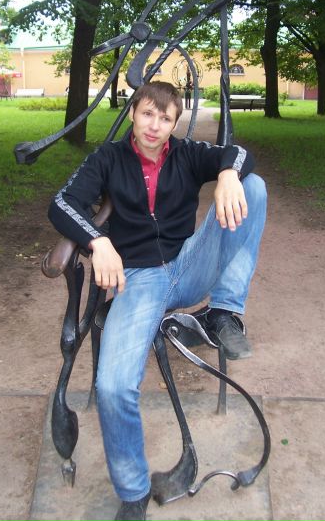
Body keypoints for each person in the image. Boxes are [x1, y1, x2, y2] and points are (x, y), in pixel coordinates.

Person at [48, 81, 266, 521]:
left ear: (174, 123)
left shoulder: (186, 154)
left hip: (188, 264)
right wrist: (98, 242)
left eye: (165, 118)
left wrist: (227, 174)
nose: (154, 125)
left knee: (254, 186)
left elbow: (239, 153)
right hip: (138, 280)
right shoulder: (108, 158)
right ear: (133, 113)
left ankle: (224, 310)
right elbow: (62, 204)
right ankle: (133, 494)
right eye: (148, 113)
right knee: (113, 385)